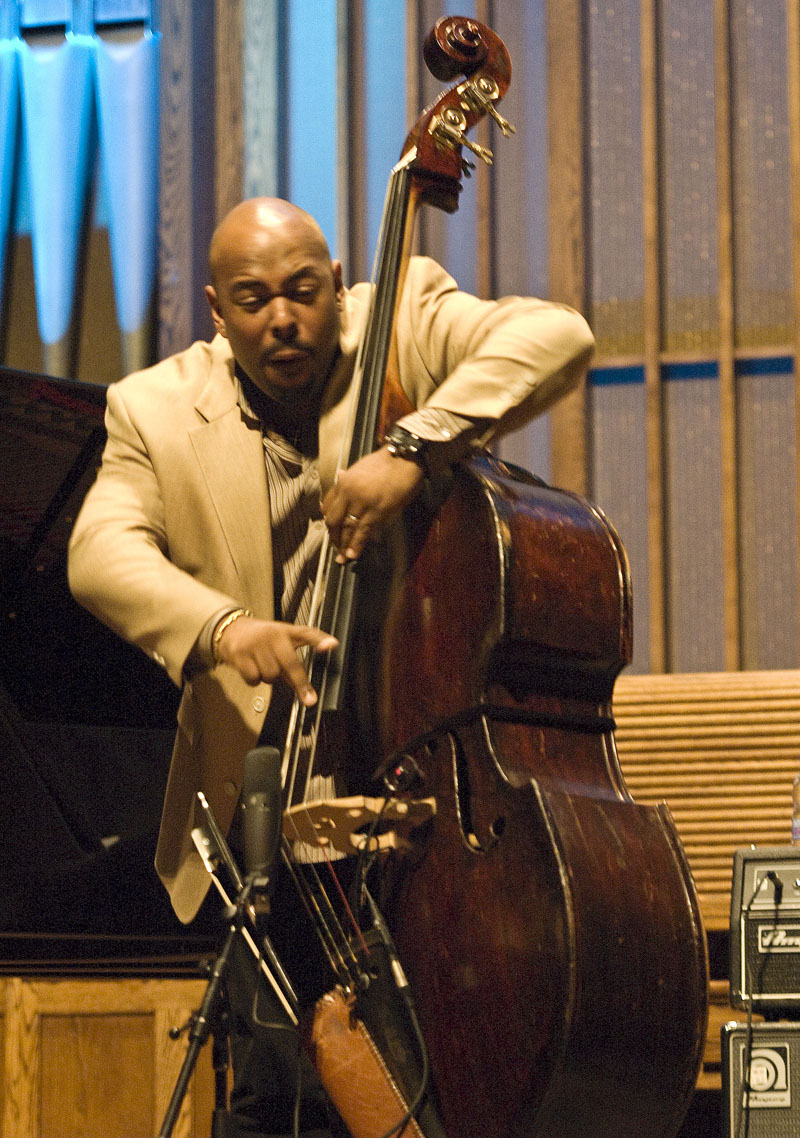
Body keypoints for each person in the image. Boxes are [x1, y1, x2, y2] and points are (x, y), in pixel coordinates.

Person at [67, 196, 595, 1136]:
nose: (284, 318)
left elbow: (557, 335)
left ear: (338, 289)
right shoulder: (149, 409)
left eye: (305, 292)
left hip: (424, 815)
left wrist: (411, 446)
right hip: (265, 829)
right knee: (274, 1106)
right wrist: (228, 630)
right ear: (218, 314)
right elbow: (100, 553)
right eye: (255, 299)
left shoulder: (402, 323)